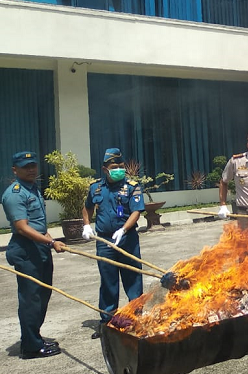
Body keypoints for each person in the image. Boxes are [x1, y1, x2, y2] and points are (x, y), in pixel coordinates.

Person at [3, 152, 67, 359]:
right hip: (25, 250)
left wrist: (47, 236)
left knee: (42, 295)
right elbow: (22, 228)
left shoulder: (33, 189)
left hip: (39, 247)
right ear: (15, 170)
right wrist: (51, 241)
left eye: (33, 165)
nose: (31, 170)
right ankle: (31, 347)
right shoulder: (15, 193)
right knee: (31, 299)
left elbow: (36, 223)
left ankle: (34, 336)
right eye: (25, 166)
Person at [81, 148, 145, 339]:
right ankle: (107, 322)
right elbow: (87, 207)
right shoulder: (96, 188)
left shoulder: (132, 186)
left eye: (121, 166)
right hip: (104, 240)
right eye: (114, 167)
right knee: (108, 281)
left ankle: (136, 319)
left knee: (133, 279)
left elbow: (136, 211)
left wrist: (123, 229)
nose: (119, 169)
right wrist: (86, 225)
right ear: (104, 169)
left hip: (127, 239)